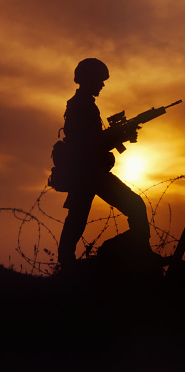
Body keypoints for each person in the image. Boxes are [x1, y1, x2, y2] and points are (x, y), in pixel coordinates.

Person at [57, 58, 150, 267]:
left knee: (77, 218)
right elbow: (89, 143)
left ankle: (67, 263)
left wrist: (119, 135)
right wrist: (117, 135)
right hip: (89, 173)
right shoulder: (82, 106)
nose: (102, 84)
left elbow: (93, 141)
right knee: (135, 206)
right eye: (100, 80)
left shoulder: (83, 104)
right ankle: (138, 254)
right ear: (89, 78)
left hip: (88, 172)